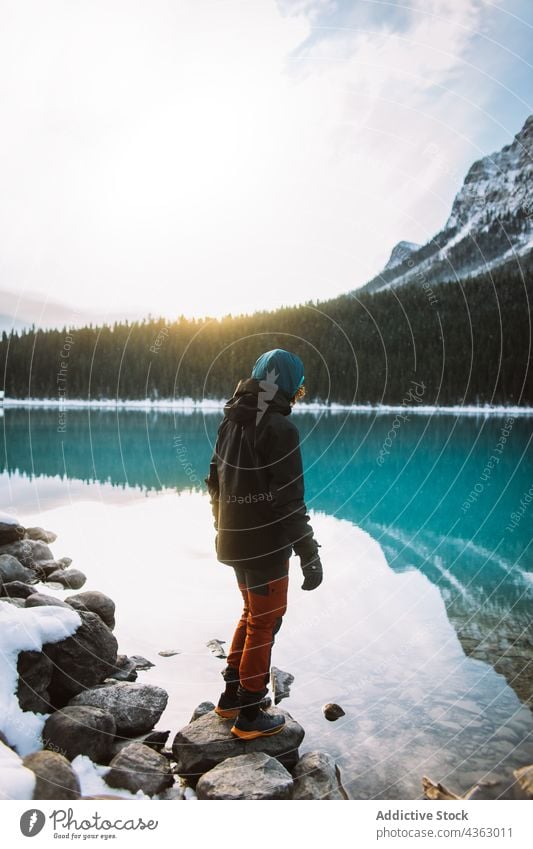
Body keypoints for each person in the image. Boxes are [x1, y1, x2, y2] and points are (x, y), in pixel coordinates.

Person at [205, 348, 323, 740]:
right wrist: (309, 553)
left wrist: (224, 525)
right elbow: (288, 499)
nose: (300, 392)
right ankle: (252, 714)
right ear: (288, 384)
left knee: (253, 615)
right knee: (266, 621)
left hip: (234, 540)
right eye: (299, 385)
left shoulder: (230, 421)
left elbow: (214, 481)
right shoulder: (279, 429)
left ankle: (231, 697)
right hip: (266, 545)